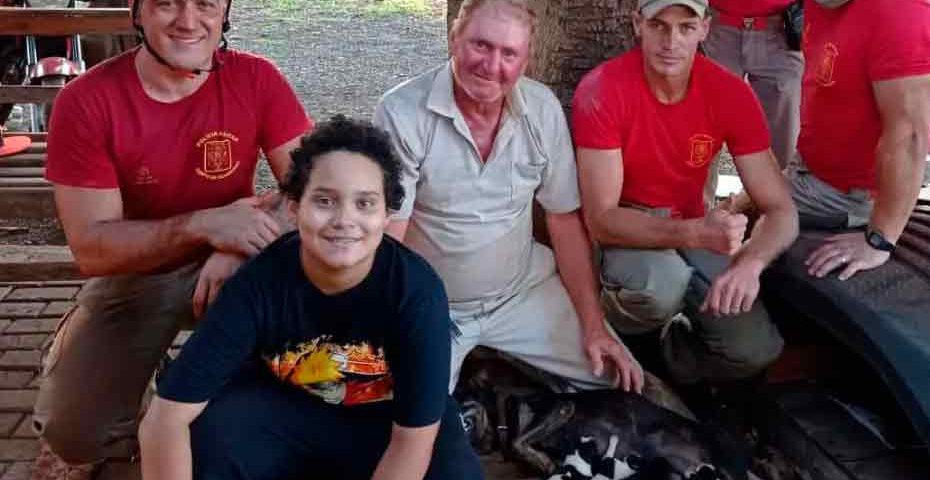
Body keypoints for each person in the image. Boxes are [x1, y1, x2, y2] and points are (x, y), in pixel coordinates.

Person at [32, 0, 310, 476]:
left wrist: (232, 244)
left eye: (205, 5)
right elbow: (92, 248)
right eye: (167, 3)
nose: (188, 20)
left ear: (224, 14)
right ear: (137, 13)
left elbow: (312, 186)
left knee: (298, 390)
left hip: (237, 265)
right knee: (74, 434)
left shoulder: (256, 77)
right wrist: (205, 224)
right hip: (137, 272)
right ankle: (87, 352)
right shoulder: (87, 99)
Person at [138, 116, 483, 480]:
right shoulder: (258, 283)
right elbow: (165, 419)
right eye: (324, 201)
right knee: (206, 437)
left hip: (387, 421)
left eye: (365, 204)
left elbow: (412, 441)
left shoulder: (416, 293)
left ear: (387, 215)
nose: (344, 219)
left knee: (451, 469)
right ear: (294, 207)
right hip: (285, 415)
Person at [374, 0, 644, 394]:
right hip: (433, 305)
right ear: (454, 39)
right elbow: (390, 234)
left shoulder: (541, 109)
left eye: (509, 53)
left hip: (521, 292)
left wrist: (593, 325)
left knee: (618, 378)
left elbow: (564, 220)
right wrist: (386, 323)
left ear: (526, 60)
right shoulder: (402, 112)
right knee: (398, 411)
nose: (491, 65)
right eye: (480, 45)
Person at [572, 0, 798, 388]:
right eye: (658, 25)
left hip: (693, 220)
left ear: (705, 29)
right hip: (630, 222)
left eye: (686, 27)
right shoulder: (602, 89)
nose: (671, 41)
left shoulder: (729, 92)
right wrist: (695, 233)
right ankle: (603, 331)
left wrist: (751, 264)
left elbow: (781, 208)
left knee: (754, 350)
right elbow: (602, 220)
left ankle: (667, 361)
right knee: (661, 286)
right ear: (638, 24)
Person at [788, 0, 930, 280]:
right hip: (811, 169)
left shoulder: (905, 15)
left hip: (848, 195)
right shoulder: (824, 4)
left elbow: (910, 137)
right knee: (738, 209)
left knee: (733, 237)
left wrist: (879, 239)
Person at [702, 0, 803, 169]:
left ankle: (776, 185)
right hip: (719, 25)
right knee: (704, 126)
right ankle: (699, 186)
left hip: (781, 29)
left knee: (784, 134)